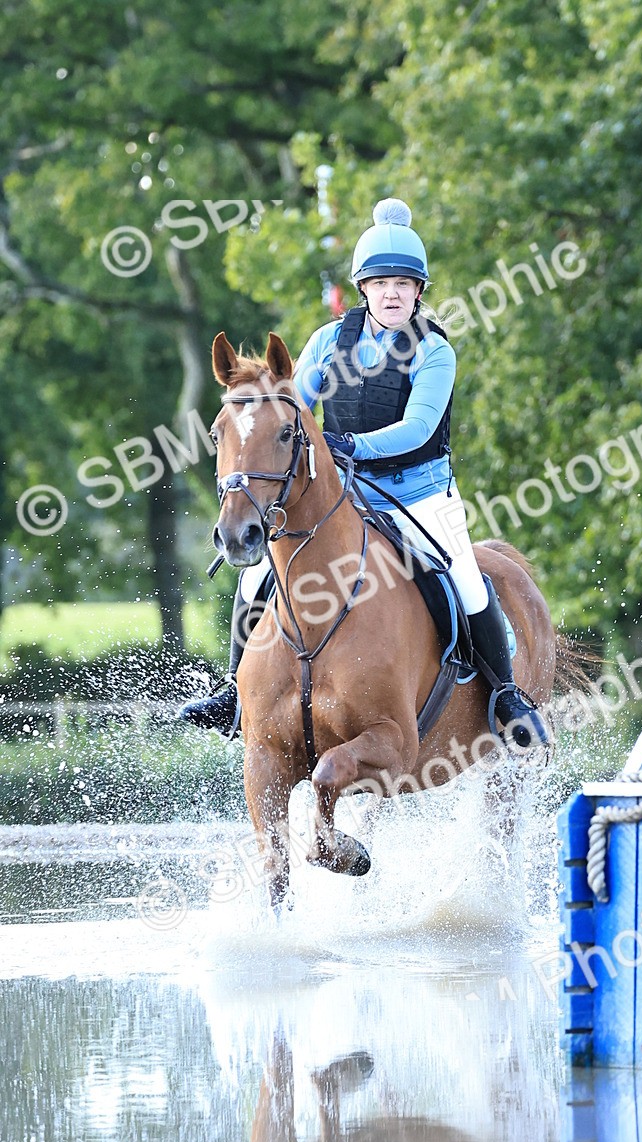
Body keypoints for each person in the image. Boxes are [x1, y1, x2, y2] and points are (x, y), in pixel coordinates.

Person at [180, 198, 543, 747]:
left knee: (467, 580)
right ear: (363, 288)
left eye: (403, 282)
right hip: (344, 494)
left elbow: (418, 430)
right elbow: (291, 408)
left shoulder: (434, 352)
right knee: (256, 574)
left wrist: (343, 442)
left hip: (419, 493)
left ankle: (505, 695)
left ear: (419, 290)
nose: (392, 292)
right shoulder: (329, 341)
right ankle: (235, 691)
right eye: (380, 282)